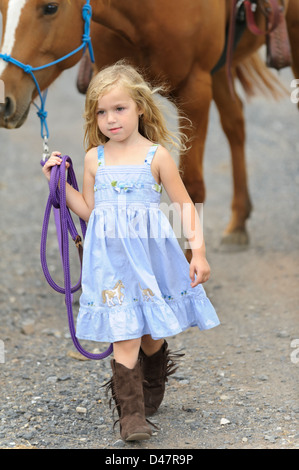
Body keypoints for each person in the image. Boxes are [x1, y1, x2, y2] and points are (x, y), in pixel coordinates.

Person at [42, 60, 220, 442]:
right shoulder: (94, 158)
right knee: (124, 334)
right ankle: (131, 416)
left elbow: (185, 206)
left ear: (140, 106)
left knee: (151, 333)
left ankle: (154, 375)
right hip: (112, 264)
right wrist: (59, 185)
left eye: (119, 108)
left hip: (151, 260)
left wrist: (199, 253)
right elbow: (91, 212)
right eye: (101, 112)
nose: (110, 119)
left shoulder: (156, 156)